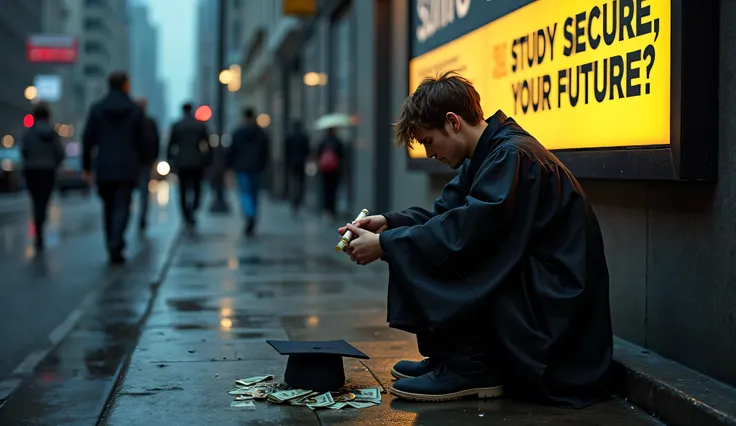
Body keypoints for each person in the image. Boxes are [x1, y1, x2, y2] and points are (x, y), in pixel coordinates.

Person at [339, 71, 612, 408]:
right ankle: (452, 358)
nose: (429, 153)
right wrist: (387, 224)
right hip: (539, 290)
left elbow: (466, 234)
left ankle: (471, 366)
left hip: (556, 313)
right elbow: (445, 217)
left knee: (442, 251)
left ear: (453, 122)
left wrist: (386, 244)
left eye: (427, 141)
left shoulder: (512, 155)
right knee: (421, 243)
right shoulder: (490, 153)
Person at [82, 71, 147, 264]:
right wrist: (144, 162)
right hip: (127, 166)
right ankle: (116, 241)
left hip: (104, 166)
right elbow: (143, 140)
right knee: (122, 206)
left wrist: (86, 167)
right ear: (126, 85)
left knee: (108, 206)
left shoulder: (97, 109)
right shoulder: (135, 110)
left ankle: (111, 241)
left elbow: (87, 140)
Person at [20, 102, 65, 251]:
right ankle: (40, 224)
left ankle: (38, 227)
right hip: (48, 170)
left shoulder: (29, 133)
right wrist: (53, 163)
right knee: (44, 200)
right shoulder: (52, 133)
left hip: (32, 170)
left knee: (35, 200)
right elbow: (60, 153)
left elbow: (24, 150)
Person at [167, 103, 211, 228]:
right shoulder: (199, 125)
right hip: (197, 161)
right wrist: (207, 159)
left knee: (182, 189)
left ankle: (186, 213)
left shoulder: (177, 125)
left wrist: (170, 160)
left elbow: (171, 145)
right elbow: (207, 144)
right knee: (197, 188)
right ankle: (193, 209)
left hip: (181, 162)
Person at [227, 107, 270, 235]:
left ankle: (249, 214)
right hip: (257, 167)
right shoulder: (261, 133)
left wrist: (230, 166)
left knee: (245, 193)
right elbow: (265, 152)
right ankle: (253, 215)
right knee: (255, 194)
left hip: (242, 168)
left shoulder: (237, 133)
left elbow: (231, 151)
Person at [135, 97, 160, 231]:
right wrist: (154, 159)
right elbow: (155, 142)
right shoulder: (150, 122)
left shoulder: (131, 122)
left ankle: (140, 218)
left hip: (134, 162)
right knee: (144, 193)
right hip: (144, 162)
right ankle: (142, 218)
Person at [316, 127, 345, 220]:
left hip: (325, 170)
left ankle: (326, 210)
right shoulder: (337, 141)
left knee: (325, 189)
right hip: (335, 170)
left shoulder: (323, 141)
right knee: (333, 190)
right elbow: (342, 155)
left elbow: (317, 153)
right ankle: (332, 210)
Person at [284, 120, 310, 215]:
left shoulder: (290, 137)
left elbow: (286, 150)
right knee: (300, 181)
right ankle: (298, 199)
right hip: (301, 162)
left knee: (293, 181)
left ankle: (294, 199)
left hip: (292, 163)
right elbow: (307, 150)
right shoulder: (304, 137)